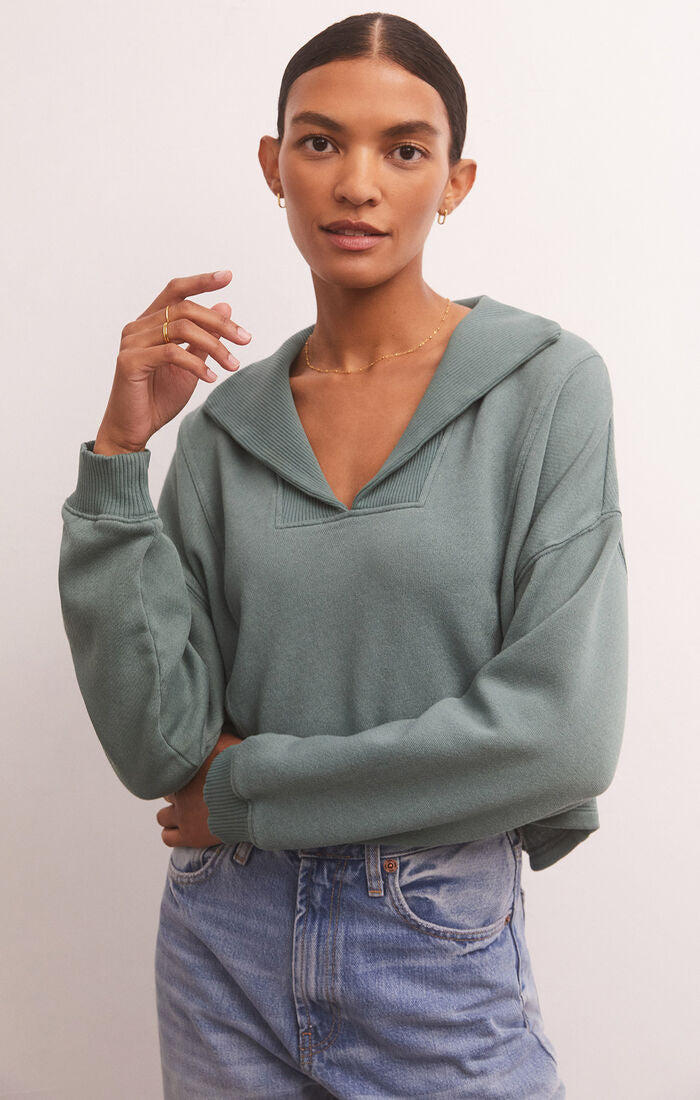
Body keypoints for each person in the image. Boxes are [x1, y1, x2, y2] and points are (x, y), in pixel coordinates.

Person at [58, 12, 628, 1099]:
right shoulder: (228, 432)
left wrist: (252, 789)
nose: (356, 184)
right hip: (222, 935)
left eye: (403, 149)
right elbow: (157, 746)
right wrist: (121, 455)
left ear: (455, 181)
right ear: (274, 165)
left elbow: (562, 738)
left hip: (430, 940)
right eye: (320, 143)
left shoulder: (547, 388)